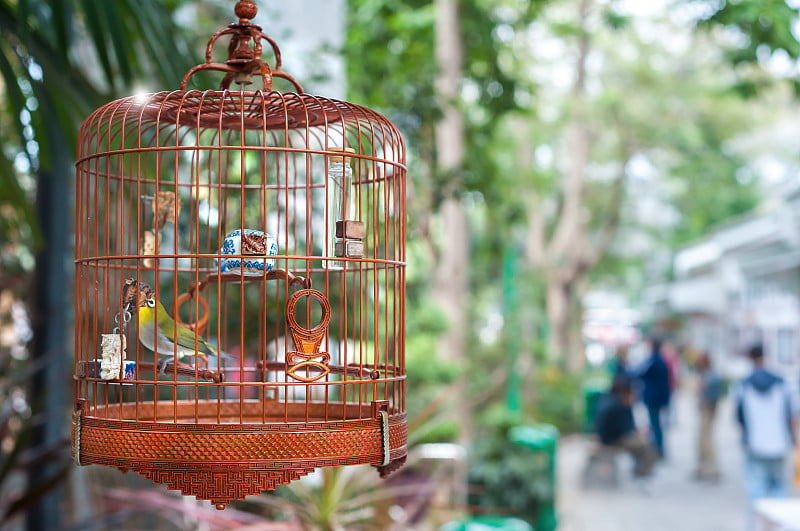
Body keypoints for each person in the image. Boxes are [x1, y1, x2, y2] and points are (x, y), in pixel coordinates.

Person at [735, 344, 796, 529]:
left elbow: (739, 417)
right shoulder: (781, 382)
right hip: (780, 443)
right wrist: (794, 441)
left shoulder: (744, 385)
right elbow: (790, 415)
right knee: (779, 489)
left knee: (756, 491)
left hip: (755, 444)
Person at [594, 375, 657, 478]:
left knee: (641, 442)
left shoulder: (607, 398)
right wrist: (637, 433)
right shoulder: (618, 405)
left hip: (606, 437)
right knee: (646, 445)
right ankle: (642, 473)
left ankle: (639, 469)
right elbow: (622, 430)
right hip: (612, 440)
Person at [636, 338, 671, 458]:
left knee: (655, 424)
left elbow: (640, 373)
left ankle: (658, 450)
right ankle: (658, 449)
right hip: (659, 397)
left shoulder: (654, 361)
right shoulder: (660, 360)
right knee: (656, 424)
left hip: (654, 398)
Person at [694, 352, 723, 481]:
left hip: (707, 412)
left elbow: (711, 395)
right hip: (705, 411)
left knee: (707, 442)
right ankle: (702, 467)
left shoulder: (711, 376)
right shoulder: (707, 375)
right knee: (701, 441)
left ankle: (712, 469)